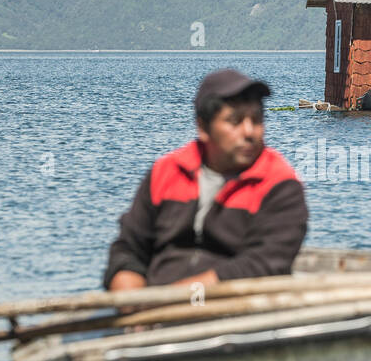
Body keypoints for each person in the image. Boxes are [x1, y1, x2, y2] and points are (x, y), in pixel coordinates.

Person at [102, 69, 308, 290]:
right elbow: (129, 247)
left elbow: (265, 264)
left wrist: (176, 299)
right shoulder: (167, 171)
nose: (249, 132)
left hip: (235, 310)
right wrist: (129, 297)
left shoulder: (279, 184)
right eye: (235, 121)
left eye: (256, 120)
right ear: (203, 127)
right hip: (152, 308)